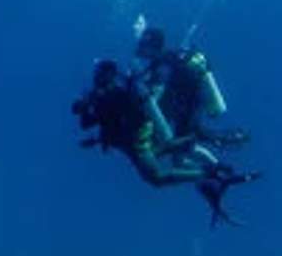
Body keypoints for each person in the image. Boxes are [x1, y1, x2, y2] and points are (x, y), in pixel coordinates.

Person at [72, 57, 259, 226]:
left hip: (139, 142)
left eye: (104, 77)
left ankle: (211, 169)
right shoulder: (100, 95)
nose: (100, 82)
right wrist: (85, 108)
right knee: (168, 152)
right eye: (98, 77)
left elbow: (145, 115)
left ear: (112, 76)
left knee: (157, 177)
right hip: (132, 143)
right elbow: (90, 123)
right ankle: (210, 155)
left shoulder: (127, 90)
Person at [132, 26, 249, 161]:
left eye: (142, 44)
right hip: (186, 102)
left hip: (189, 102)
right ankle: (224, 147)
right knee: (187, 143)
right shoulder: (165, 59)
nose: (138, 47)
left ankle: (221, 159)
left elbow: (158, 91)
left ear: (151, 46)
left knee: (186, 145)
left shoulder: (163, 63)